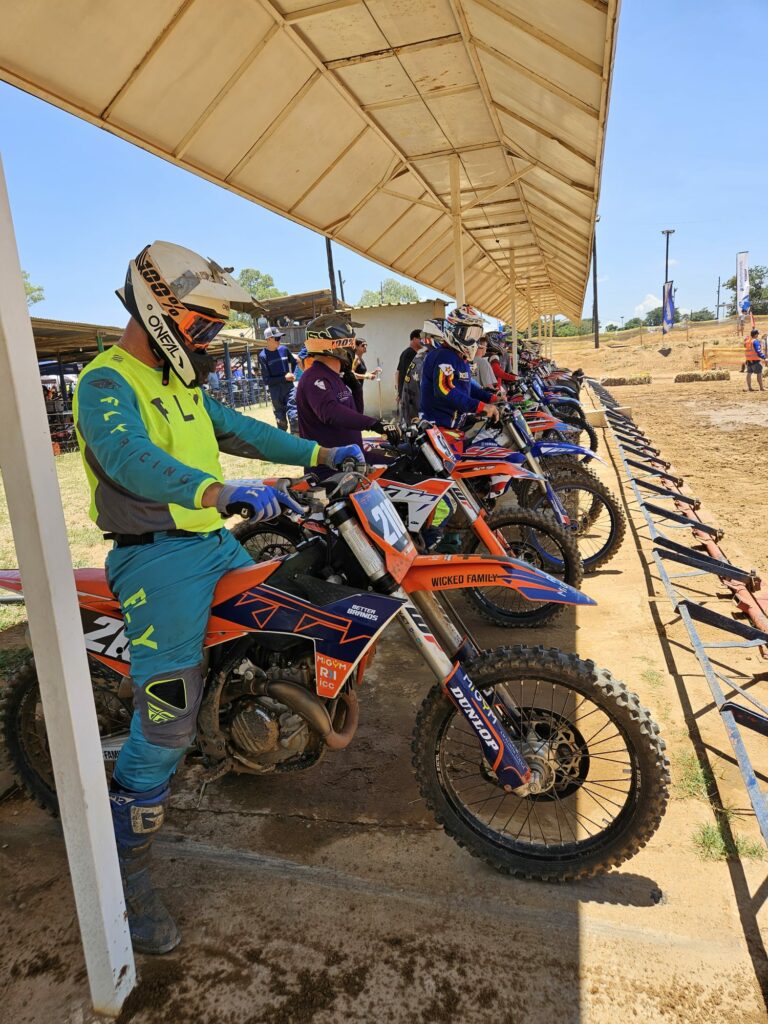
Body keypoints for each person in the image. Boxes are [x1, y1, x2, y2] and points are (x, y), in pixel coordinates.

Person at [72, 241, 363, 955]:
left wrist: (321, 455)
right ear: (159, 311)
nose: (210, 338)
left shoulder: (181, 384)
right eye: (203, 324)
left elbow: (244, 431)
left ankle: (242, 729)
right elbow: (129, 458)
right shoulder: (105, 382)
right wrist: (215, 489)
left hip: (211, 544)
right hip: (157, 559)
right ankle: (126, 876)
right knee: (167, 717)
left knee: (280, 631)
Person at [296, 314, 387, 473]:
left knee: (405, 464)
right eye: (351, 342)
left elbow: (354, 416)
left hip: (352, 463)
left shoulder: (335, 376)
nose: (353, 348)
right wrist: (374, 424)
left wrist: (357, 390)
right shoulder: (313, 377)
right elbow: (330, 412)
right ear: (338, 345)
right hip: (332, 472)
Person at [420, 305, 499, 429]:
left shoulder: (460, 358)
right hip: (438, 427)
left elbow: (467, 387)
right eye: (469, 334)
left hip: (454, 424)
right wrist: (480, 406)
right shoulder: (444, 356)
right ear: (455, 332)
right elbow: (444, 389)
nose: (473, 340)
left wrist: (492, 398)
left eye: (476, 334)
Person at [258, 326, 296, 429]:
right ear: (269, 339)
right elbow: (267, 380)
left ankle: (296, 438)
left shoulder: (284, 349)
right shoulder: (263, 356)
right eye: (277, 338)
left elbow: (294, 362)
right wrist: (284, 378)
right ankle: (283, 439)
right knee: (281, 422)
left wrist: (293, 374)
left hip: (289, 389)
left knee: (295, 416)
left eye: (280, 338)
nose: (279, 340)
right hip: (275, 393)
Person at [395, 329, 424, 400]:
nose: (423, 341)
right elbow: (413, 375)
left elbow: (397, 372)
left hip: (405, 393)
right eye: (421, 339)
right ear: (414, 339)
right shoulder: (411, 354)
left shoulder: (405, 352)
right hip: (410, 395)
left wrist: (398, 392)